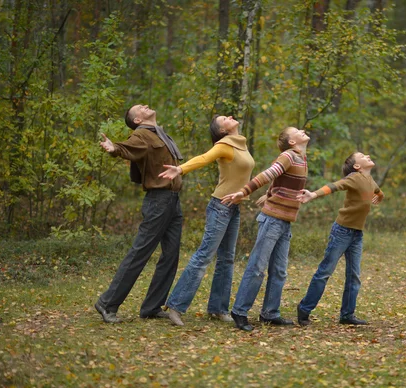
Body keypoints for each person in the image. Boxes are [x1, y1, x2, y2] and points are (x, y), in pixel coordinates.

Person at [159, 115, 255, 326]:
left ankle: (218, 308)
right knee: (204, 256)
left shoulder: (240, 143)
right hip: (220, 207)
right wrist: (180, 169)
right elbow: (203, 158)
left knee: (227, 259)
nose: (229, 116)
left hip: (233, 207)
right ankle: (175, 306)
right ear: (222, 131)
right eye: (224, 118)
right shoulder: (224, 145)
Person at [95, 104, 184, 323]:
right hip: (158, 201)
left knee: (171, 255)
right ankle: (107, 303)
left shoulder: (159, 133)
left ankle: (151, 307)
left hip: (173, 201)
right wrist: (112, 147)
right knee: (139, 253)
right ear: (137, 120)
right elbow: (125, 147)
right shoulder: (141, 135)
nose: (145, 106)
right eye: (140, 108)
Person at [221, 127, 310, 331]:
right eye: (297, 130)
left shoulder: (301, 158)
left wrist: (270, 193)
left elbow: (280, 180)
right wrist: (243, 191)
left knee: (279, 271)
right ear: (291, 142)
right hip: (272, 221)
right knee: (257, 268)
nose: (302, 130)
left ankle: (270, 313)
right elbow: (269, 174)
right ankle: (239, 311)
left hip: (285, 221)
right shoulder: (288, 156)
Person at [295, 152, 384, 326]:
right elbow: (335, 186)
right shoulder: (355, 177)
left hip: (357, 234)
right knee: (325, 272)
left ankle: (347, 315)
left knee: (354, 275)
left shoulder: (369, 180)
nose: (367, 155)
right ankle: (304, 308)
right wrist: (313, 194)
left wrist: (379, 197)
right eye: (362, 155)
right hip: (342, 232)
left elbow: (379, 192)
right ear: (357, 166)